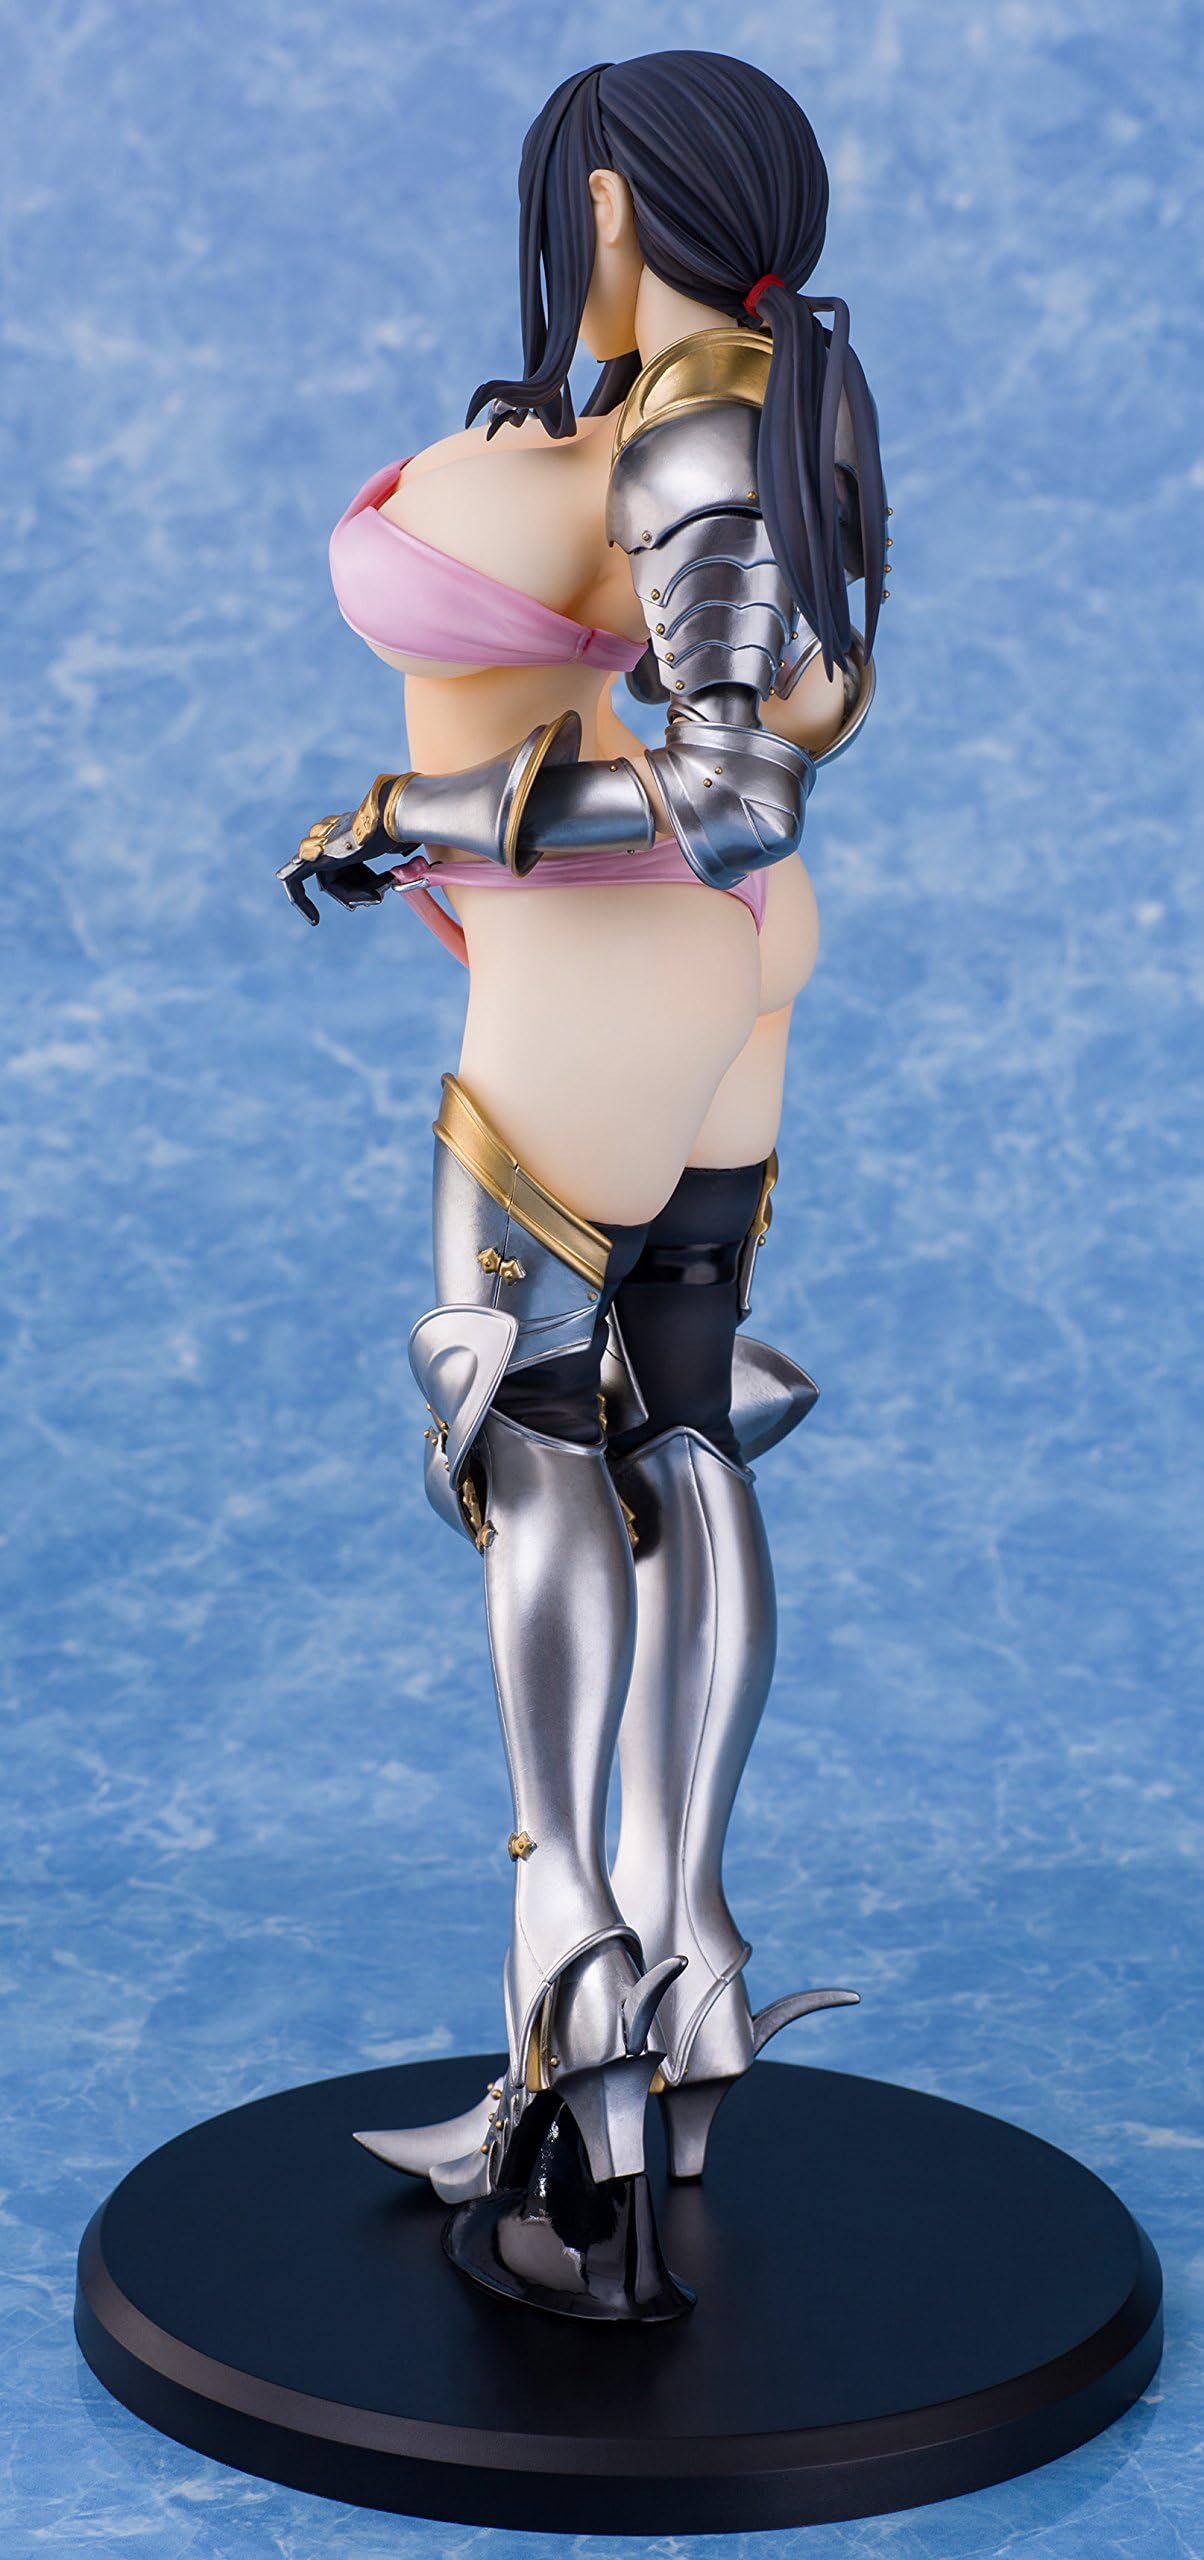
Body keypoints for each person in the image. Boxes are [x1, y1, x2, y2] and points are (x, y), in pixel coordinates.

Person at [278, 51, 886, 2322]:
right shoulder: (756, 404)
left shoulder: (700, 423)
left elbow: (735, 788)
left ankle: (576, 2011)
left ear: (618, 203)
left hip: (597, 987)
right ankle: (692, 1969)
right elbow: (789, 713)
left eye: (578, 209)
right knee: (677, 1427)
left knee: (520, 1440)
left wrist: (402, 821)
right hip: (700, 995)